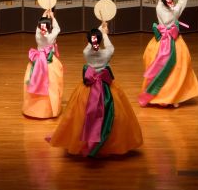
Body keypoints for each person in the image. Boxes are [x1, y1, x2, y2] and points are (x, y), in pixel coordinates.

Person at [49, 22, 143, 156]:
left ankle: (87, 140)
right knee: (111, 114)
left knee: (83, 114)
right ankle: (106, 142)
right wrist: (104, 33)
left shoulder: (86, 53)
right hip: (106, 87)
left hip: (88, 88)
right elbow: (109, 46)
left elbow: (90, 44)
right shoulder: (107, 53)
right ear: (100, 40)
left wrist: (99, 29)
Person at [139, 0, 198, 107]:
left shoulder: (159, 7)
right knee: (177, 68)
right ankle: (174, 97)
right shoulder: (176, 10)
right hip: (175, 42)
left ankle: (158, 95)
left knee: (157, 67)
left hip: (159, 42)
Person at [22, 9, 64, 118]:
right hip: (49, 62)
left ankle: (33, 108)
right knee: (51, 84)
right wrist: (52, 17)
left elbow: (38, 28)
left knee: (33, 80)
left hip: (37, 60)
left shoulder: (38, 36)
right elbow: (57, 28)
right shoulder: (51, 37)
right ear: (49, 27)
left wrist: (43, 16)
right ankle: (48, 110)